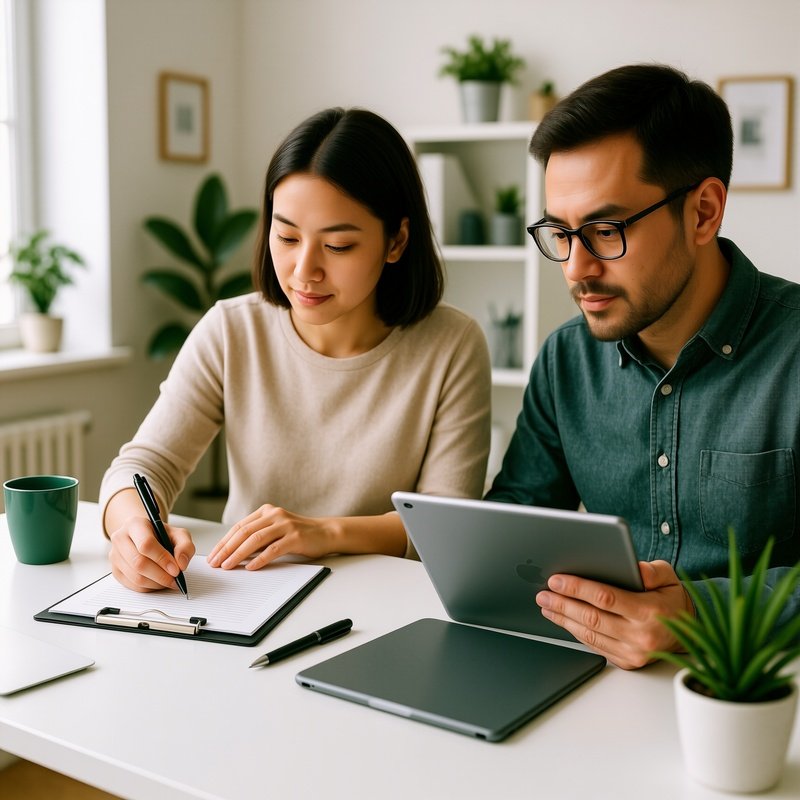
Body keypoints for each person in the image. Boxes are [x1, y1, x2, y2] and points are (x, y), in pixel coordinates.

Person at [486, 63, 800, 669]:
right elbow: (514, 527)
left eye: (605, 231)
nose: (576, 268)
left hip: (758, 700)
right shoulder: (565, 359)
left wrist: (703, 614)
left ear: (704, 212)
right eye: (560, 233)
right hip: (591, 686)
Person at [101, 107, 491, 592]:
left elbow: (447, 523)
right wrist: (130, 531)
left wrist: (325, 532)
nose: (304, 271)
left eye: (339, 246)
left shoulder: (451, 345)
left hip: (385, 605)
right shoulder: (231, 329)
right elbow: (141, 467)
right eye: (286, 237)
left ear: (397, 241)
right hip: (246, 598)